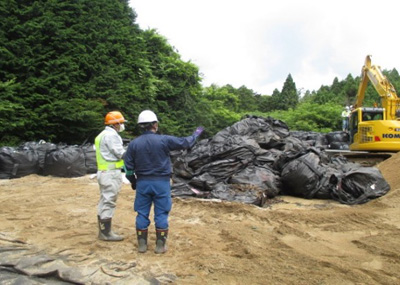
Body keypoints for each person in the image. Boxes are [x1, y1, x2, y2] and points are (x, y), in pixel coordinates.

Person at [124, 110, 204, 254]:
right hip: (161, 183)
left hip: (143, 183)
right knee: (161, 213)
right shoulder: (164, 140)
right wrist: (196, 133)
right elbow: (186, 142)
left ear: (140, 126)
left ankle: (142, 245)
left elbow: (128, 168)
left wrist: (133, 181)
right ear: (155, 124)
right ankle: (160, 246)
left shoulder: (133, 144)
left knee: (141, 213)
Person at [95, 111, 127, 241]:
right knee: (109, 200)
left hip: (103, 172)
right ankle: (105, 233)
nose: (123, 125)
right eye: (121, 123)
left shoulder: (102, 135)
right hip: (110, 173)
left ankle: (103, 229)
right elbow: (120, 154)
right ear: (116, 124)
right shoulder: (111, 136)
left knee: (104, 200)